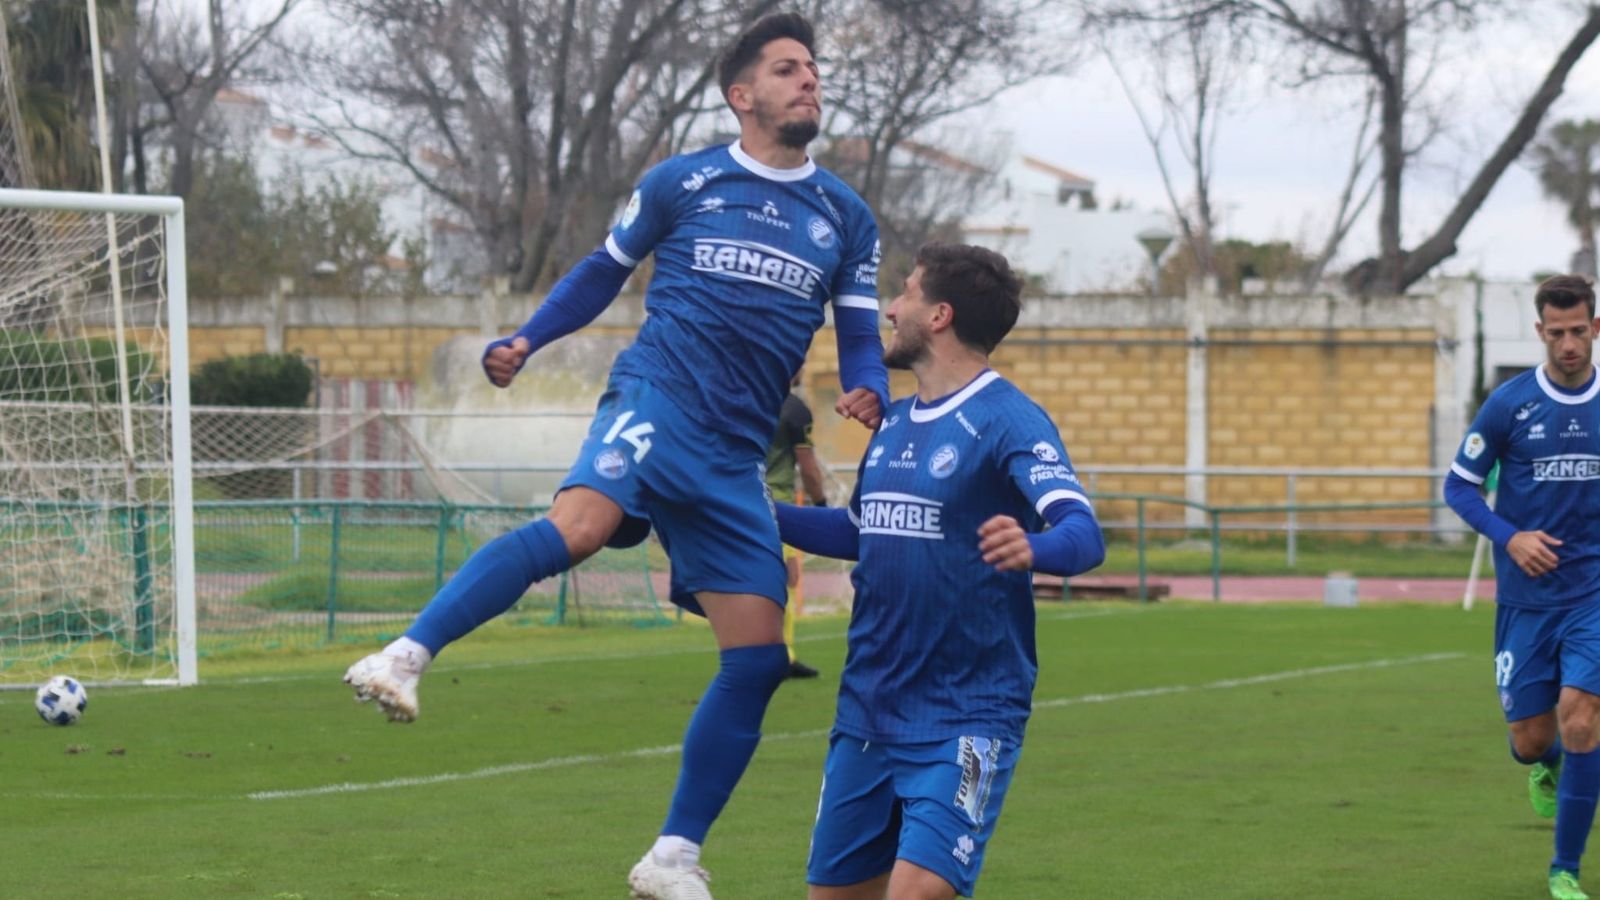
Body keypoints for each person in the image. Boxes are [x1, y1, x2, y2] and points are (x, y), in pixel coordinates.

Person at [341, 13, 889, 900]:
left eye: (814, 71)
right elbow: (603, 270)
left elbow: (860, 335)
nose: (809, 82)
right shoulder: (683, 182)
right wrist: (528, 338)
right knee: (581, 527)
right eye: (789, 70)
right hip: (656, 398)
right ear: (741, 95)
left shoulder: (845, 216)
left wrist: (869, 390)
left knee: (756, 658)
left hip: (732, 451)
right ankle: (404, 655)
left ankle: (670, 857)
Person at [774, 243, 1105, 899]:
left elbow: (1082, 531)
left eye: (907, 295)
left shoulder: (1007, 418)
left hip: (965, 715)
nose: (891, 309)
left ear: (940, 316)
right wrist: (752, 514)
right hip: (867, 714)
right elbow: (859, 531)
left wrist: (1035, 548)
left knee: (918, 893)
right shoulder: (894, 425)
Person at [1445, 274, 1600, 900]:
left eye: (1579, 330)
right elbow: (1459, 487)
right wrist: (1509, 537)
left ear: (1596, 328)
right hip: (1525, 601)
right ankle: (1548, 766)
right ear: (1540, 332)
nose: (1568, 343)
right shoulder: (1509, 405)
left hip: (1593, 592)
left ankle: (1564, 870)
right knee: (1532, 739)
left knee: (1582, 717)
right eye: (1556, 332)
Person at [766, 369, 830, 679]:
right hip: (778, 508)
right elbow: (808, 469)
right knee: (787, 579)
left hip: (735, 500)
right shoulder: (794, 409)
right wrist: (821, 506)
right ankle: (781, 656)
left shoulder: (742, 397)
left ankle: (761, 652)